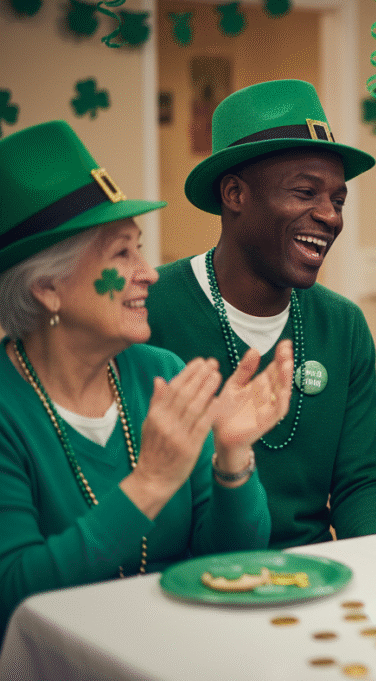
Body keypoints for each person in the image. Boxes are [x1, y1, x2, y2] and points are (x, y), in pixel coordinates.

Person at [0, 121, 293, 633]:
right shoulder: (8, 408)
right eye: (122, 253)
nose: (149, 273)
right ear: (48, 288)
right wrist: (151, 481)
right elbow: (16, 596)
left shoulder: (160, 373)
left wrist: (231, 456)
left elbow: (232, 562)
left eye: (140, 248)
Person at [146, 79, 376, 547]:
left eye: (338, 199)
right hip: (184, 581)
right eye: (305, 193)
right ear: (235, 194)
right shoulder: (149, 309)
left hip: (314, 578)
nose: (330, 216)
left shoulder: (341, 324)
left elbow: (361, 482)